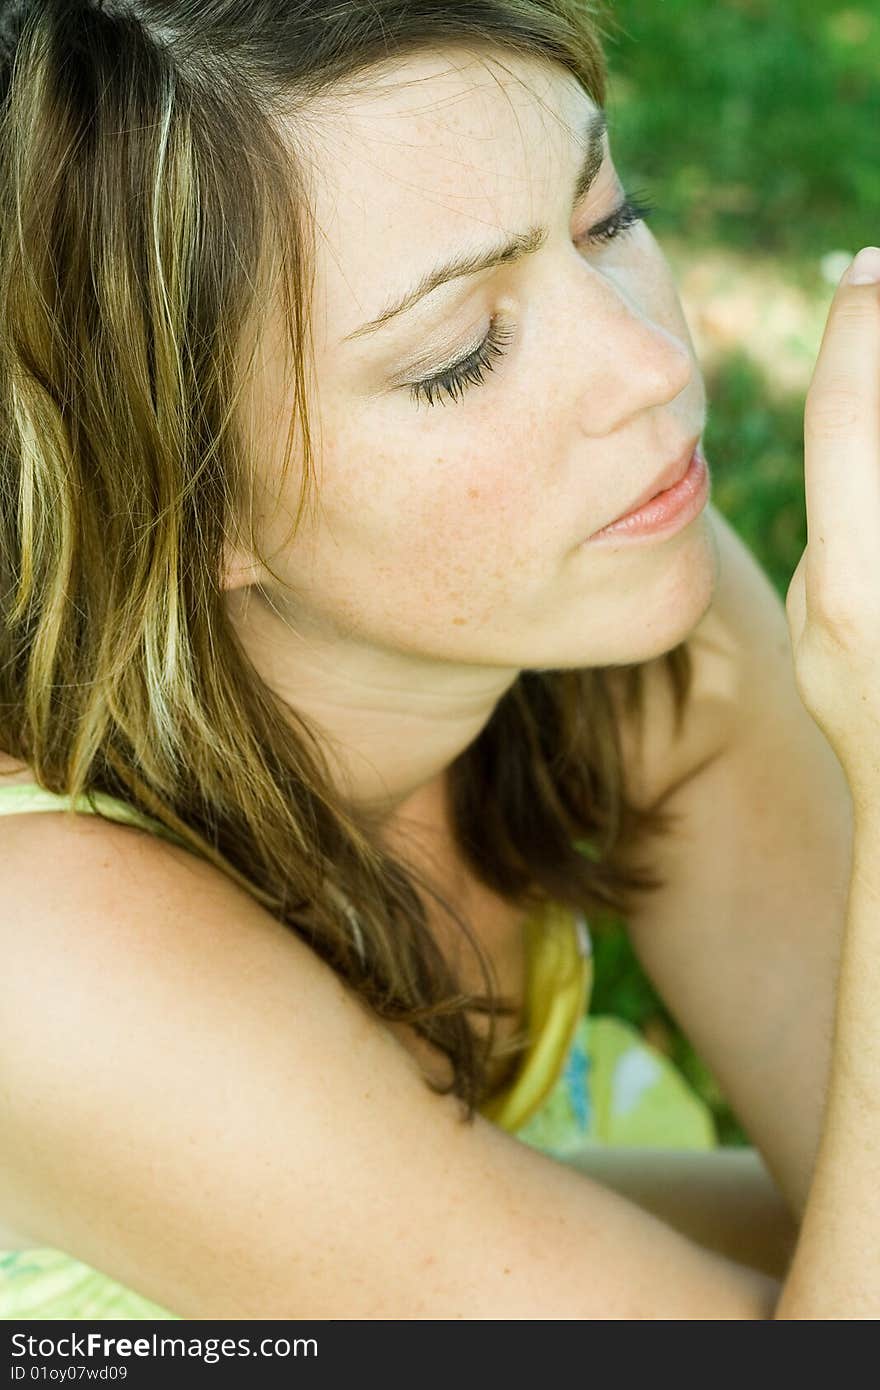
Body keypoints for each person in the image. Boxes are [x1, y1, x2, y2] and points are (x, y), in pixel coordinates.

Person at [0, 0, 873, 1320]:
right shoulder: (48, 954)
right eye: (459, 357)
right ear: (186, 497)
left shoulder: (621, 590)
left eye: (608, 218)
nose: (649, 364)